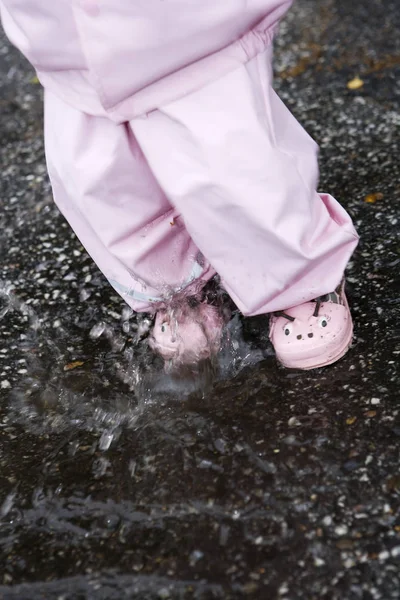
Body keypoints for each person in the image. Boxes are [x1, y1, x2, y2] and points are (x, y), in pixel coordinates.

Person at [0, 0, 359, 370]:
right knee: (104, 175)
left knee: (229, 160)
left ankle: (298, 278)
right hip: (65, 40)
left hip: (183, 35)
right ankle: (180, 283)